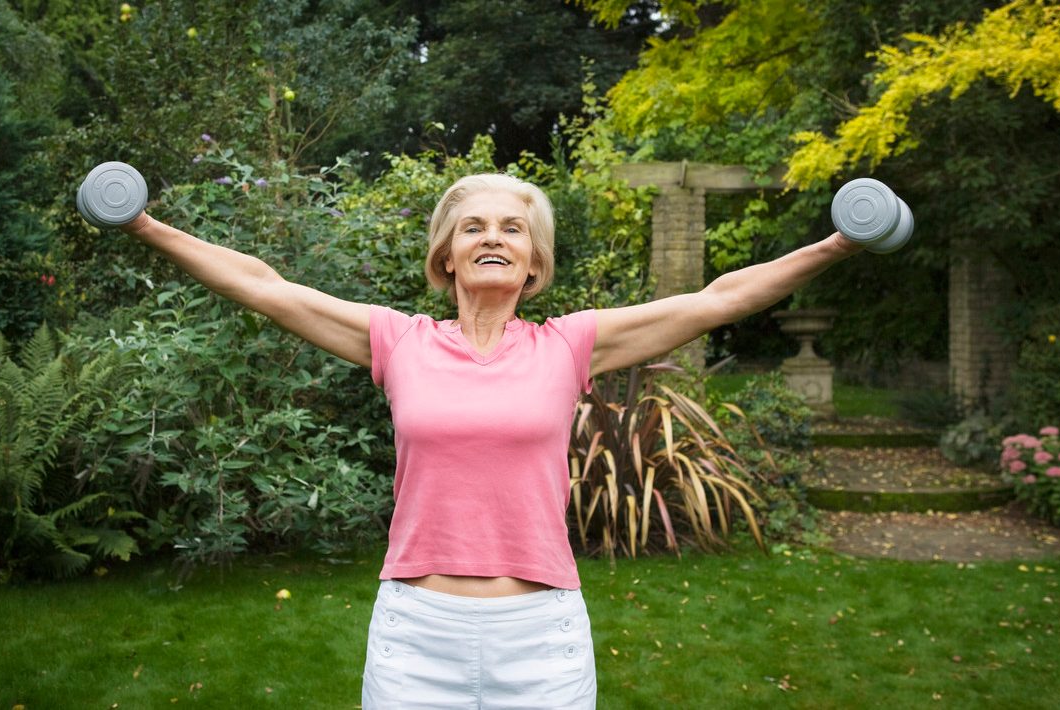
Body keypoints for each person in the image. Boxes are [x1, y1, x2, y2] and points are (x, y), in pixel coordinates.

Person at [119, 172, 862, 708]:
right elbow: (264, 286)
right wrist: (144, 226)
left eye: (513, 228)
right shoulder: (398, 341)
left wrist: (834, 243)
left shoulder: (569, 346)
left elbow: (717, 300)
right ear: (447, 256)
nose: (494, 238)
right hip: (417, 632)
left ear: (535, 263)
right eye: (474, 227)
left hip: (539, 635)